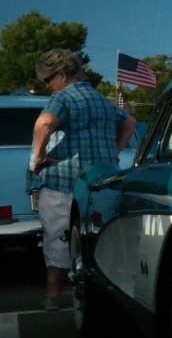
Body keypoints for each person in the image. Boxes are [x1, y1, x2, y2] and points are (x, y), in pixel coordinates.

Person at [30, 49, 136, 311]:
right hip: (100, 182)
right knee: (102, 239)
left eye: (48, 80)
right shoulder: (101, 99)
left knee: (57, 236)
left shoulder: (62, 98)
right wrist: (114, 152)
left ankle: (53, 295)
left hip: (63, 181)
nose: (47, 85)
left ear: (62, 75)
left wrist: (39, 156)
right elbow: (130, 122)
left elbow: (44, 123)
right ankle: (104, 296)